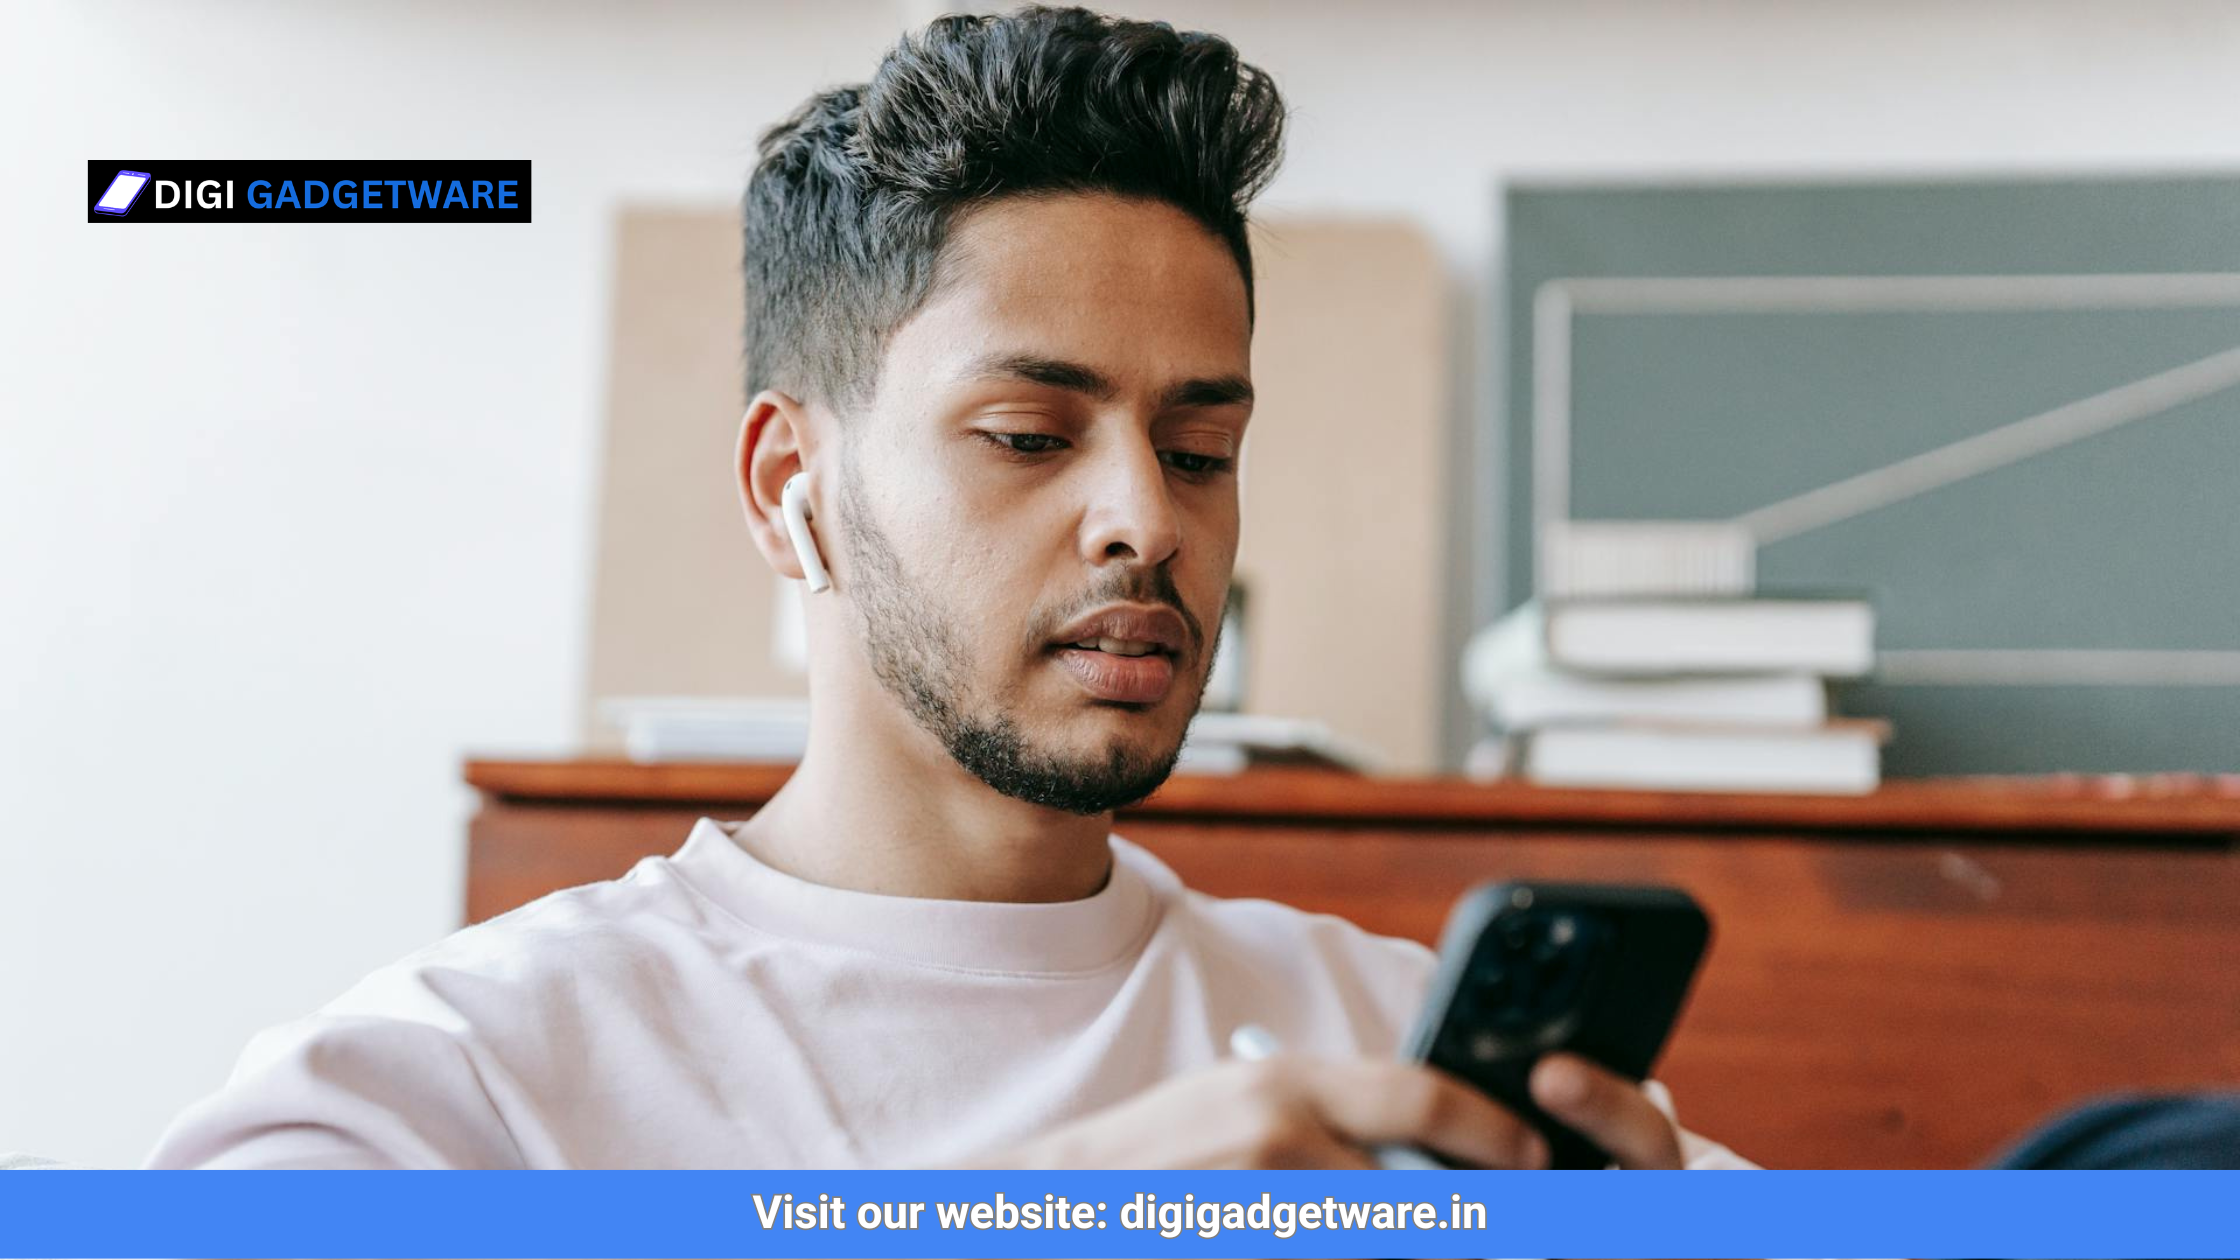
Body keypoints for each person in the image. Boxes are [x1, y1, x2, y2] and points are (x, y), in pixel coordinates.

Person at [146, 5, 1750, 1171]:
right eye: (1030, 435)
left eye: (1199, 449)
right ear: (794, 490)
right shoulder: (462, 1084)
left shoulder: (1406, 1059)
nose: (1144, 519)